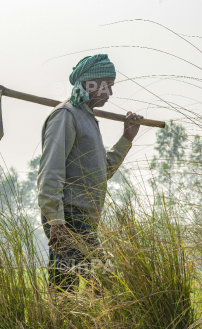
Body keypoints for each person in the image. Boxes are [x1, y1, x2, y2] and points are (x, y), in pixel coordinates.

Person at [37, 54, 144, 292]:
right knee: (105, 282)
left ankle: (65, 327)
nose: (110, 94)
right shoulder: (66, 115)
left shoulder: (87, 118)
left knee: (68, 288)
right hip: (68, 219)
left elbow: (100, 172)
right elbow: (50, 172)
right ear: (89, 83)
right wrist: (56, 222)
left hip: (84, 220)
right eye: (107, 86)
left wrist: (127, 137)